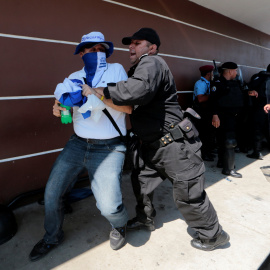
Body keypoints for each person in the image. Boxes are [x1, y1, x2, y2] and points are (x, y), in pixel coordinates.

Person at [94, 27, 230, 251]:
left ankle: (213, 235)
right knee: (142, 185)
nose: (131, 46)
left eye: (137, 43)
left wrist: (101, 91)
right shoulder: (140, 69)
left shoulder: (152, 63)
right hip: (151, 146)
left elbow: (136, 91)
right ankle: (145, 219)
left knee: (188, 194)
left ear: (152, 47)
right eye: (131, 43)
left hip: (174, 146)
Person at [29, 31, 132, 261]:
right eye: (90, 49)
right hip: (77, 144)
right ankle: (52, 236)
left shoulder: (116, 71)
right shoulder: (74, 76)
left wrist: (95, 94)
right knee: (52, 193)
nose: (96, 52)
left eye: (100, 49)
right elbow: (63, 103)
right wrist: (58, 109)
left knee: (108, 206)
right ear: (81, 53)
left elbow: (128, 108)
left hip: (109, 146)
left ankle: (120, 225)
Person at [211, 62, 244, 178]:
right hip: (223, 117)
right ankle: (229, 169)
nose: (236, 73)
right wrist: (215, 115)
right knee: (229, 141)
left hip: (232, 116)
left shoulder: (234, 83)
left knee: (222, 140)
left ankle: (222, 162)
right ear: (230, 71)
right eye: (235, 70)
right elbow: (213, 100)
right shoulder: (218, 83)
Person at [246, 65, 270, 159]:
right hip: (265, 107)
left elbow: (248, 88)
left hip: (259, 107)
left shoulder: (259, 78)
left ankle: (257, 151)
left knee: (258, 130)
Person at [193, 65, 216, 161]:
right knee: (204, 133)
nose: (213, 75)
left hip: (207, 111)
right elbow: (200, 99)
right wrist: (214, 96)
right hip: (201, 112)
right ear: (208, 74)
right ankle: (204, 154)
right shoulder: (201, 83)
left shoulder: (209, 83)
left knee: (209, 133)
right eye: (212, 73)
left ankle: (208, 152)